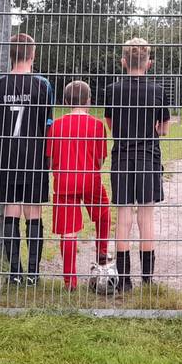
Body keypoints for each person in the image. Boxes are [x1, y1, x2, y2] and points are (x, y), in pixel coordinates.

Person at [105, 37, 171, 292]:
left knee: (123, 218)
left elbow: (110, 124)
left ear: (123, 62)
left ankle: (124, 281)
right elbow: (164, 128)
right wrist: (155, 127)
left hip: (121, 158)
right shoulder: (157, 90)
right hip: (148, 158)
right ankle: (147, 278)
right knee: (146, 217)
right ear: (149, 64)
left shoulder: (113, 89)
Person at [0, 33, 53, 286]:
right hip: (35, 159)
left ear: (10, 55)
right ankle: (34, 274)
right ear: (33, 54)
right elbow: (47, 125)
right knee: (33, 213)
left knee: (11, 211)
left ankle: (14, 272)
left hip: (7, 158)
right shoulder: (43, 85)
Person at [45, 80, 111, 291]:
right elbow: (100, 160)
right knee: (103, 211)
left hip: (64, 181)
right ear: (89, 100)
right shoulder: (98, 125)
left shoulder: (56, 125)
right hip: (90, 179)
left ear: (65, 101)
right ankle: (102, 251)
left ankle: (70, 281)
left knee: (69, 231)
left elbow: (51, 159)